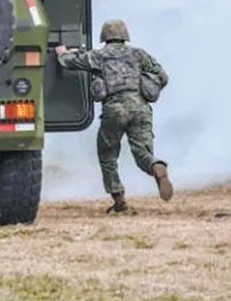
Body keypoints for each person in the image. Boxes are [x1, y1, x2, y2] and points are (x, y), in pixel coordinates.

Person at [56, 19, 172, 214]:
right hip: (140, 109)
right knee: (142, 153)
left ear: (104, 37)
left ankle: (119, 201)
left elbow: (70, 62)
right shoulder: (139, 54)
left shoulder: (99, 56)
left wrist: (62, 53)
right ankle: (156, 166)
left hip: (114, 110)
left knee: (108, 156)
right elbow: (163, 77)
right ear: (125, 36)